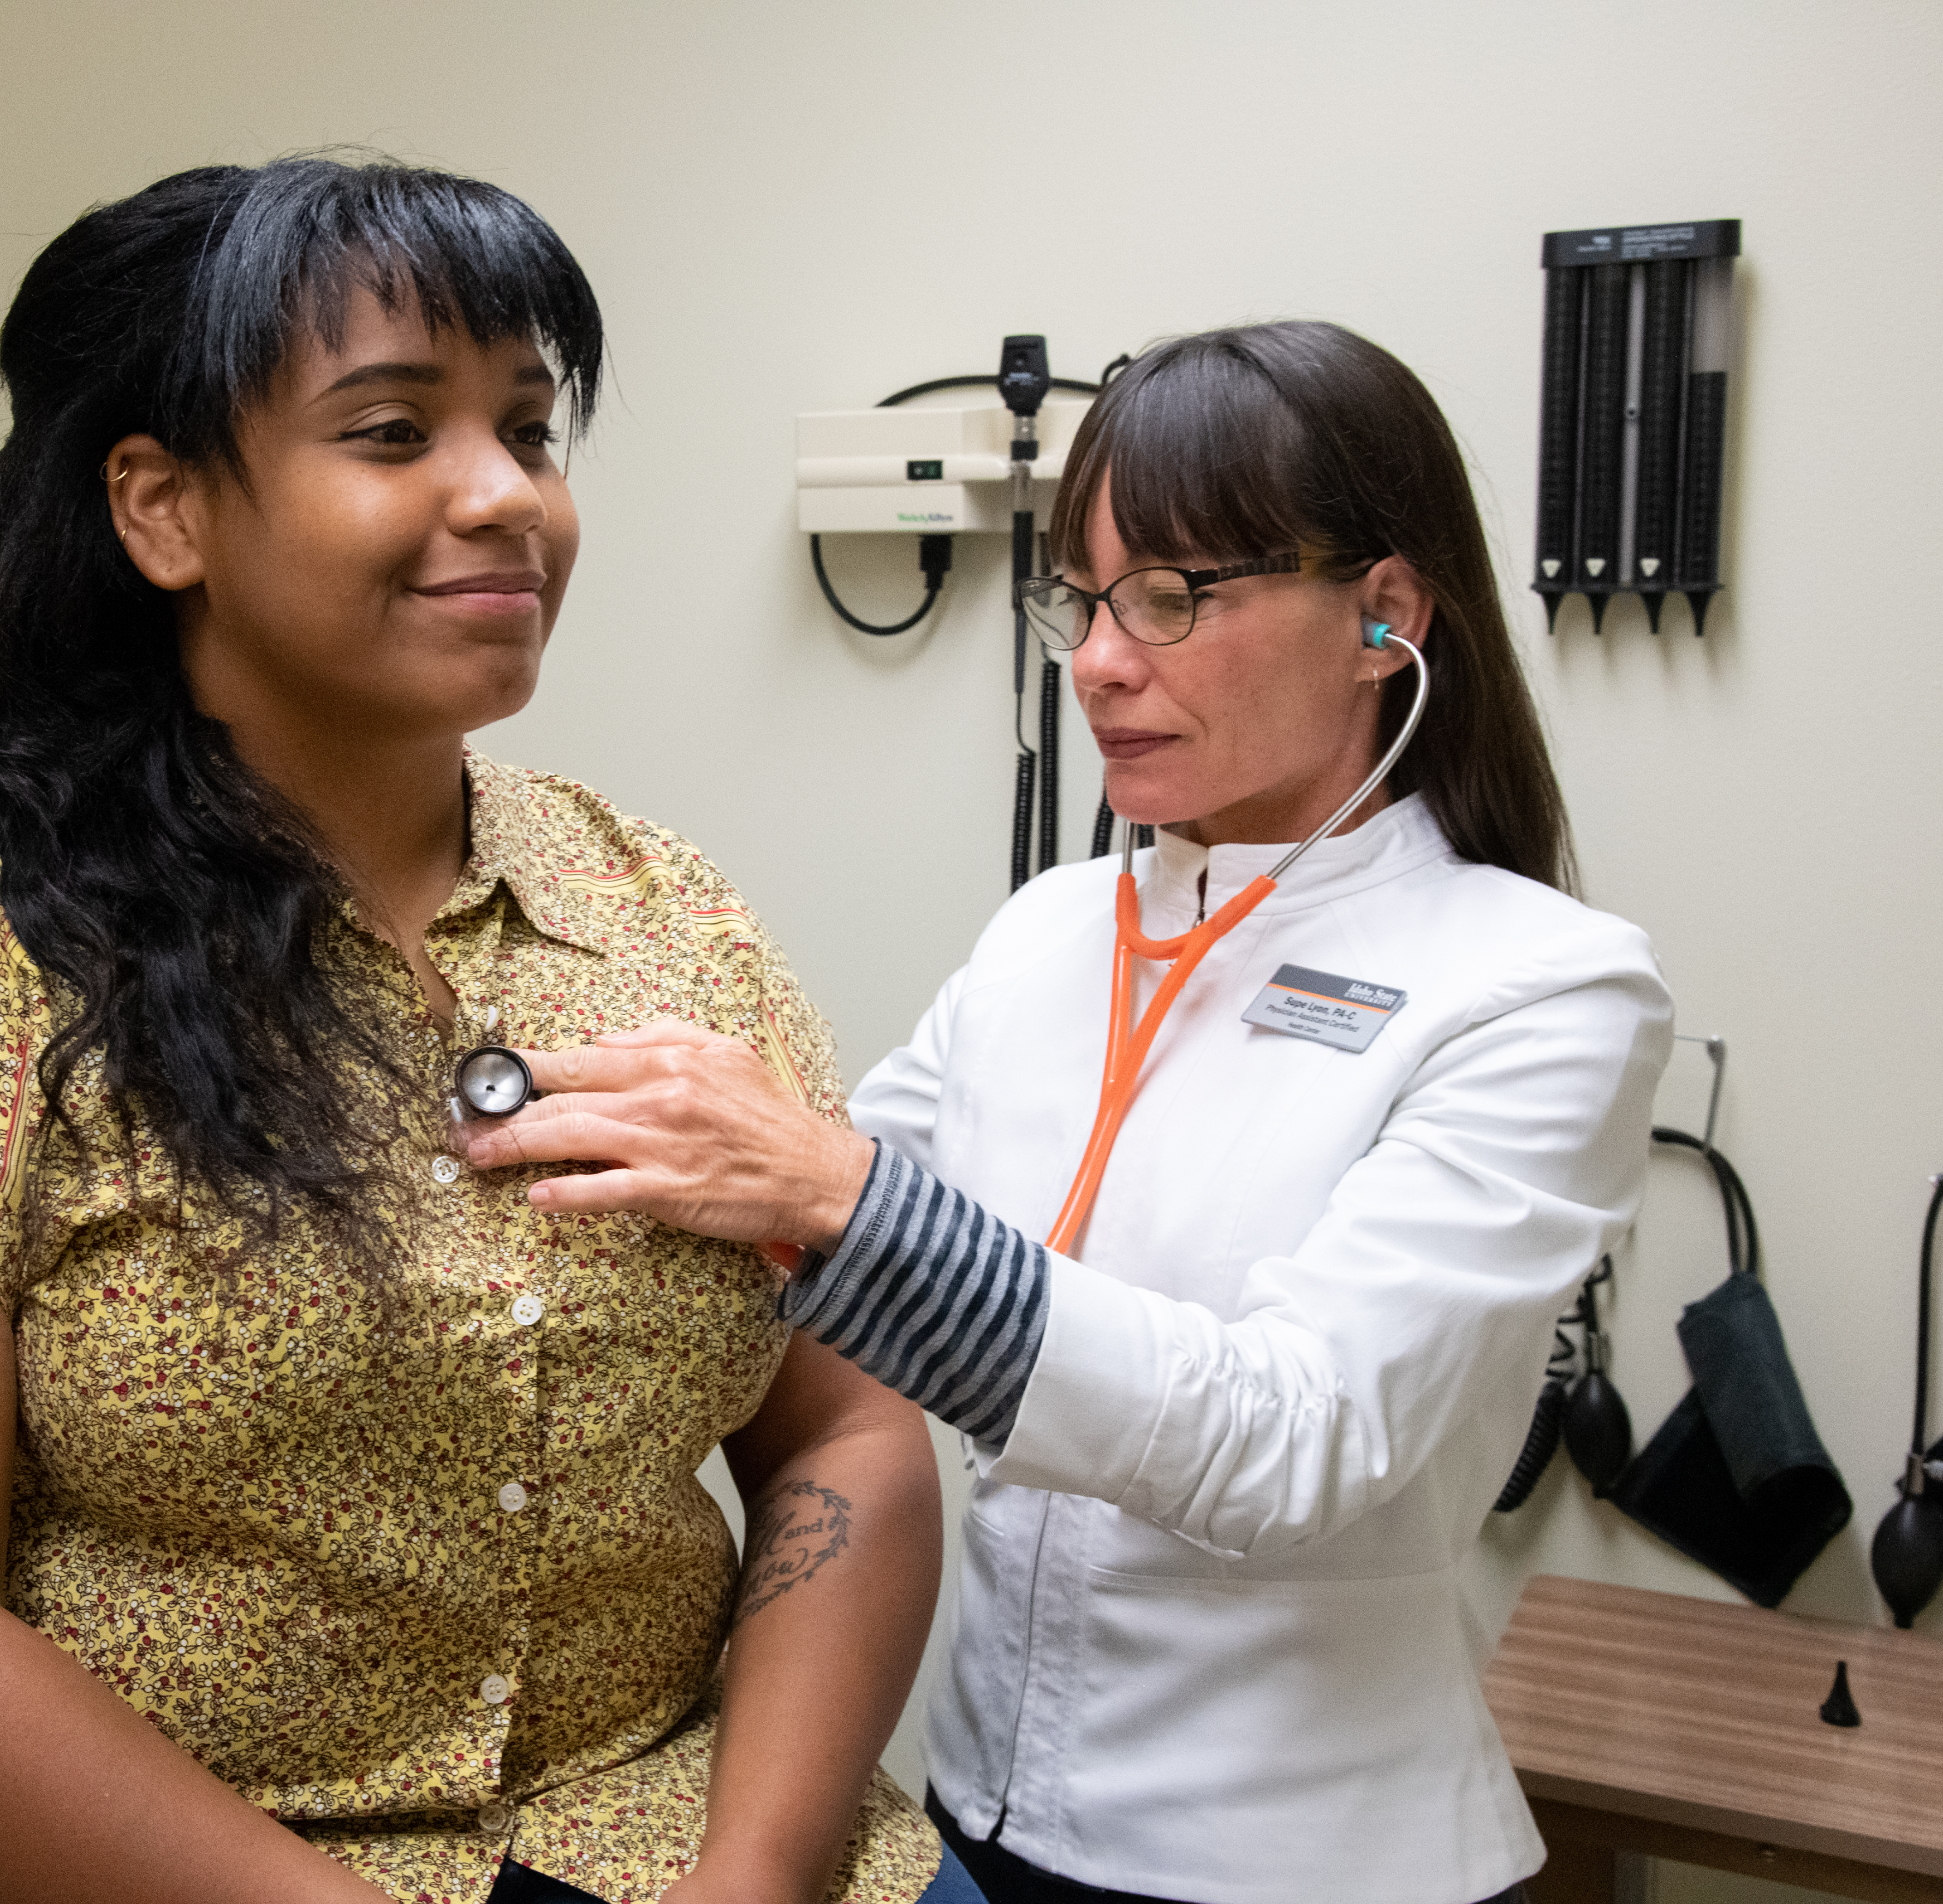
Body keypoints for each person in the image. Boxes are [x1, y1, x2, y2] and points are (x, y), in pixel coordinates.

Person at [0, 157, 986, 1904]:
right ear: (162, 512)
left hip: (661, 1830)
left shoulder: (662, 911)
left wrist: (749, 1879)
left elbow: (848, 1435)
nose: (506, 494)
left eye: (530, 428)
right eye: (391, 433)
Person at [459, 321, 1676, 1904]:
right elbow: (808, 1262)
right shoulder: (1053, 928)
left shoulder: (1542, 987)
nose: (1101, 660)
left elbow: (1298, 1441)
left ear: (1385, 616)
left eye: (1174, 598)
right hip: (977, 1817)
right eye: (1085, 602)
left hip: (1303, 1864)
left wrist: (831, 1194)